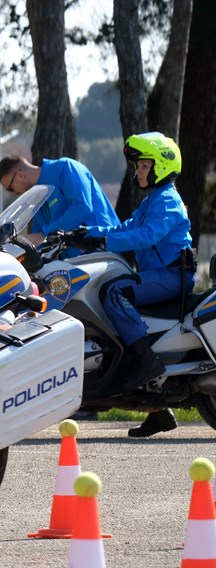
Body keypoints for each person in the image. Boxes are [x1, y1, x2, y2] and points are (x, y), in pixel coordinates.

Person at [81, 132, 194, 436]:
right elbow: (123, 228)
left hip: (173, 276)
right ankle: (159, 411)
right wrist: (82, 232)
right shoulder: (151, 201)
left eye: (144, 166)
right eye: (138, 167)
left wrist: (105, 239)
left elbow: (147, 236)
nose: (138, 172)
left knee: (113, 291)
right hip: (158, 276)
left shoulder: (167, 200)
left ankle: (143, 359)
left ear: (161, 166)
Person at [0, 154, 119, 244]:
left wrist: (46, 233)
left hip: (104, 249)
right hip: (77, 263)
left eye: (10, 188)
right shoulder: (35, 200)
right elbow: (38, 238)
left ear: (20, 175)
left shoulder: (65, 168)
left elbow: (82, 207)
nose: (13, 194)